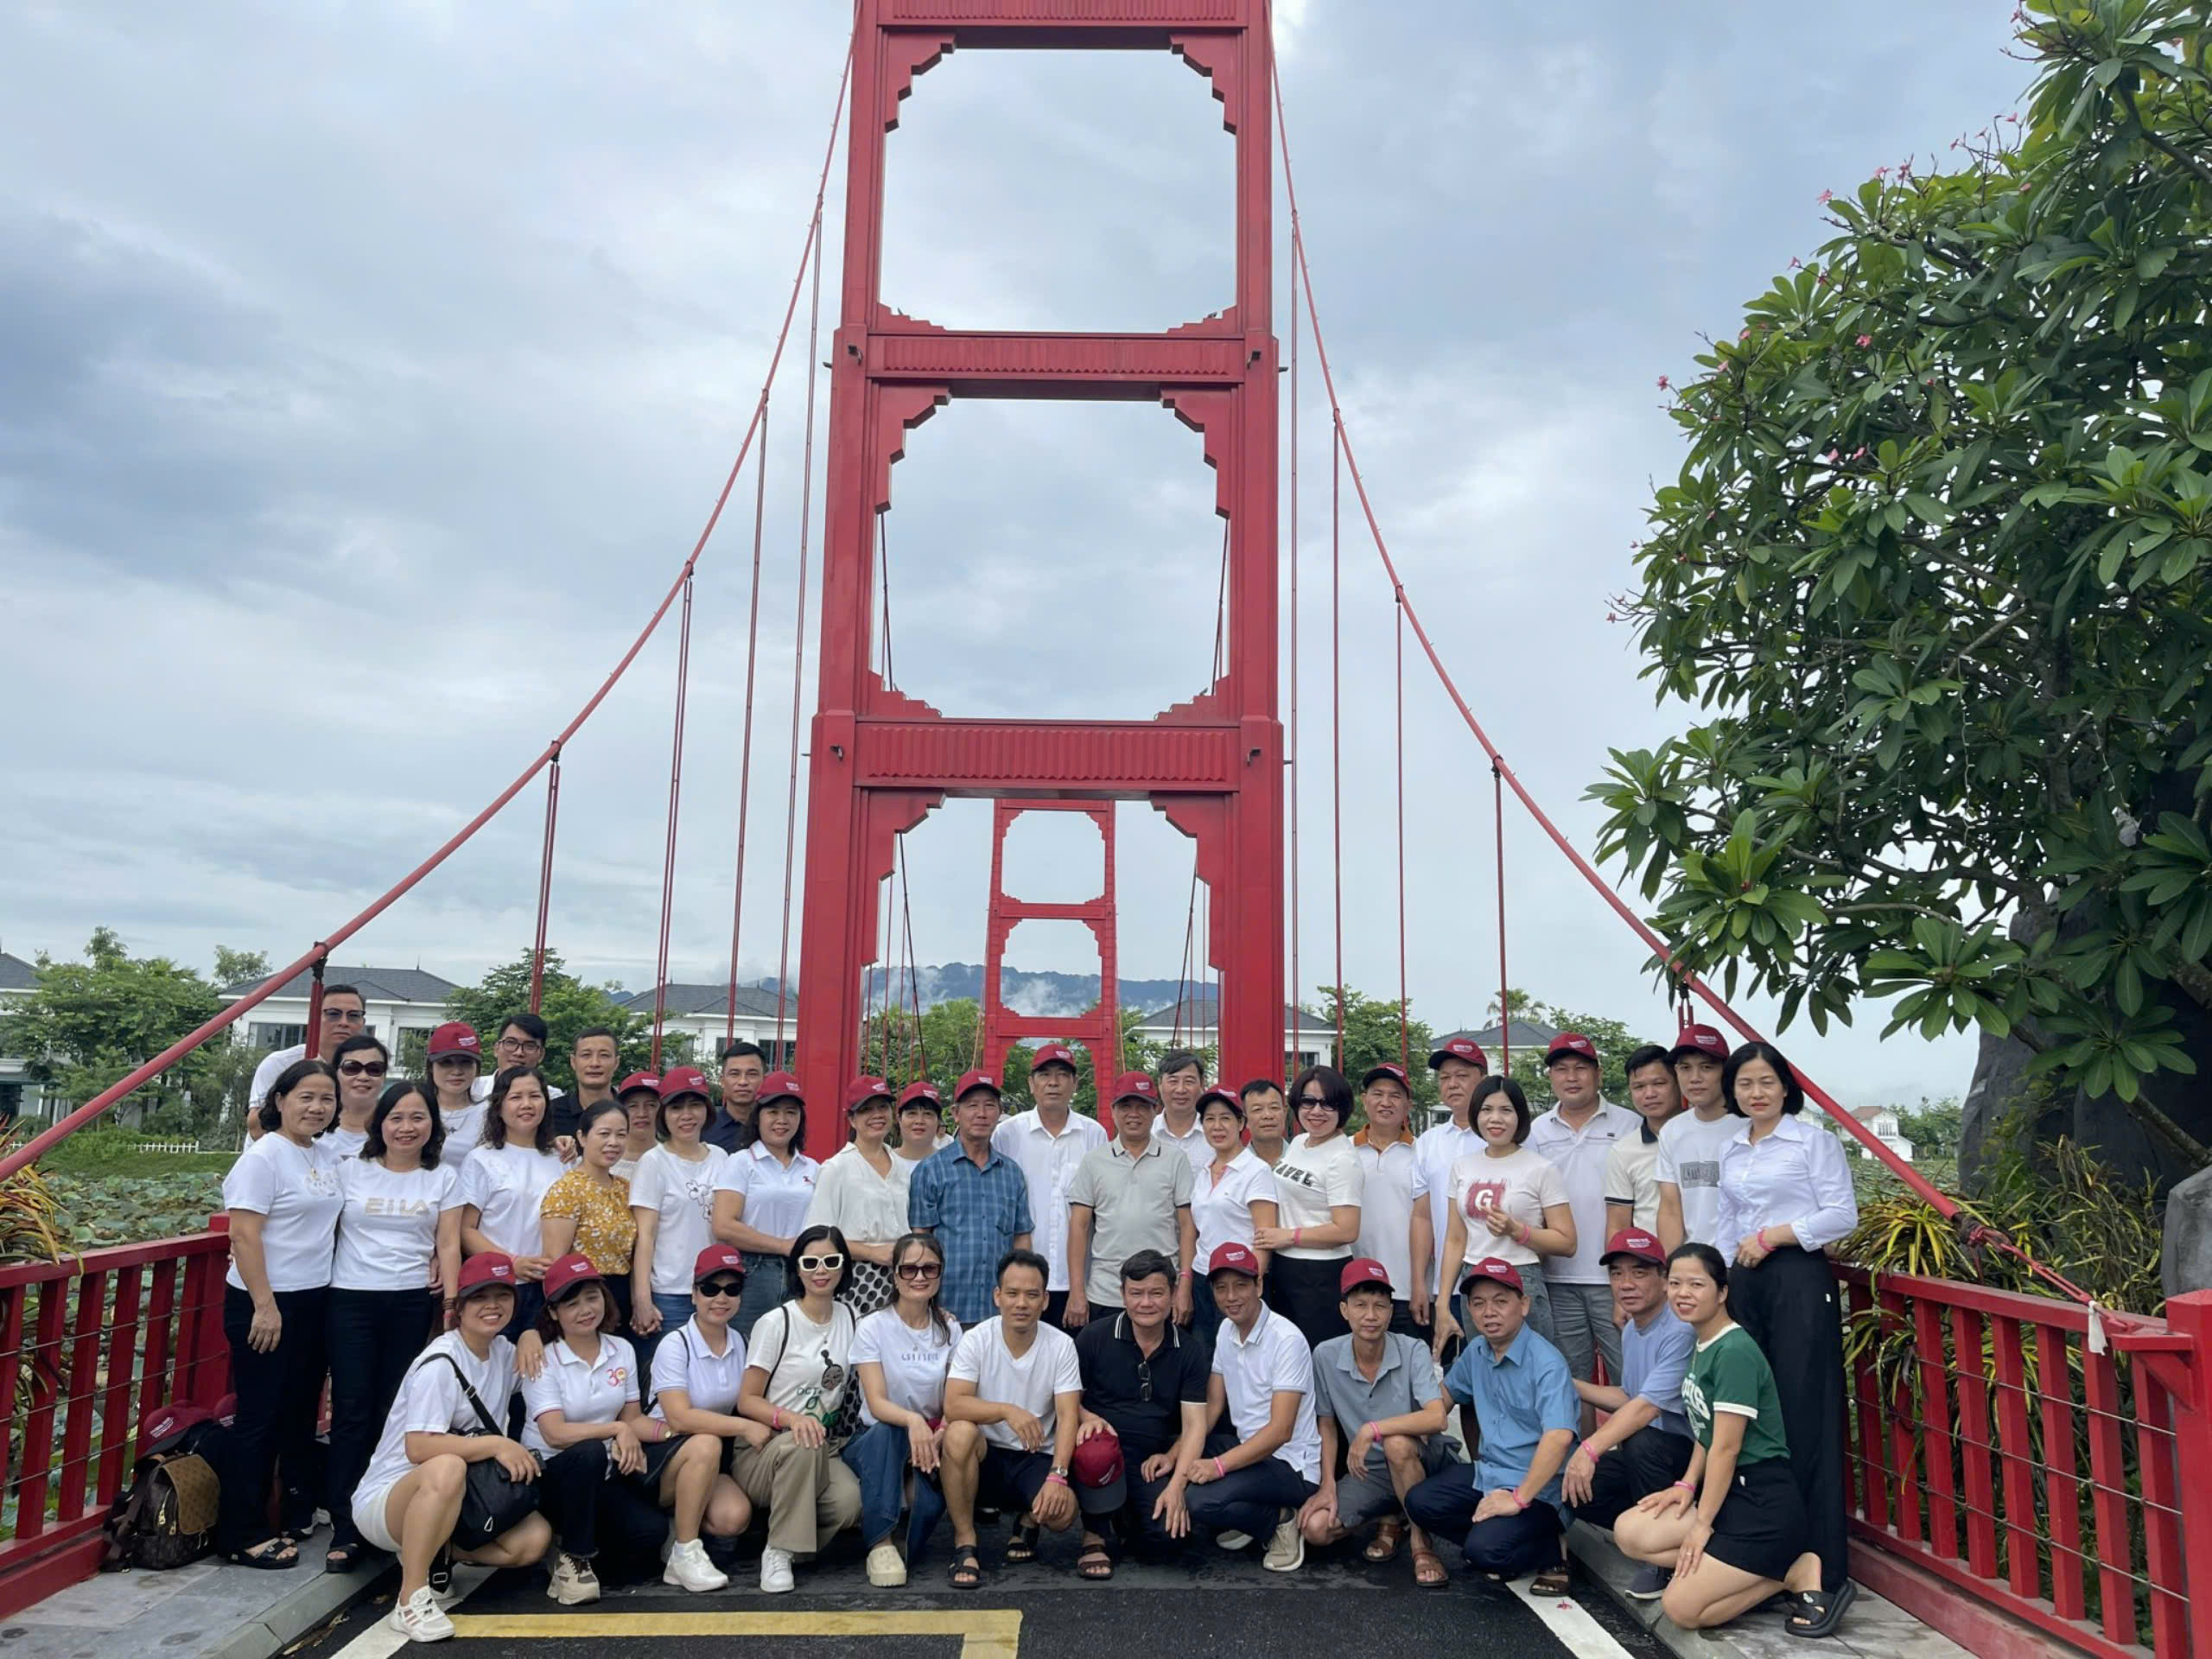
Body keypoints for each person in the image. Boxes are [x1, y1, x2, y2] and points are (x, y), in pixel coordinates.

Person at [1712, 1042, 1859, 1638]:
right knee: (1751, 1419)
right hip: (1746, 1284)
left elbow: (1842, 1214)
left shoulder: (1812, 1142)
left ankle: (1825, 1570)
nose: (1756, 1093)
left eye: (1766, 1081)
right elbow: (1725, 1223)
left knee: (1804, 1418)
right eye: (1745, 1083)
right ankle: (1768, 1557)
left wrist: (1774, 1236)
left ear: (1785, 1087)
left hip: (1797, 1279)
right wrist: (1716, 1284)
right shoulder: (1730, 1147)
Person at [1614, 1244, 1824, 1633]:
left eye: (1697, 1284)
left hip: (1761, 1502)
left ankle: (1792, 1572)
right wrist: (1685, 1485)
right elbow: (1706, 1429)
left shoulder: (1734, 1351)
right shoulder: (1703, 1342)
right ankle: (1732, 1567)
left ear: (1722, 1292)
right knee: (1630, 1533)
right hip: (1727, 1494)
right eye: (1676, 1283)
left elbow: (1726, 1448)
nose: (1683, 1293)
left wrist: (1701, 1524)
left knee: (1681, 1609)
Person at [348, 1254, 552, 1643]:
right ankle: (410, 1598)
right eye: (480, 1297)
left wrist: (531, 1332)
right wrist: (497, 1443)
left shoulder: (503, 1351)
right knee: (447, 1465)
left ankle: (436, 1550)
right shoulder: (441, 1362)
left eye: (502, 1296)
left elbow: (544, 1374)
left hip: (458, 1499)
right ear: (458, 1307)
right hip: (390, 1499)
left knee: (533, 1541)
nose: (492, 1306)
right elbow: (418, 1446)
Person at [523, 1255, 723, 1602]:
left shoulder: (622, 1349)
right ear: (553, 1312)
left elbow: (633, 1419)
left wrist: (674, 1435)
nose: (585, 1310)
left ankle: (567, 1546)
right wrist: (615, 1430)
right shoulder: (542, 1357)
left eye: (592, 1298)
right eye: (572, 1304)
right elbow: (554, 1433)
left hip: (604, 1474)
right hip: (552, 1475)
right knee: (587, 1453)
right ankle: (573, 1559)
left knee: (650, 1533)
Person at [324, 1079, 464, 1571]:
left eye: (418, 1117)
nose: (407, 1128)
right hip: (350, 1300)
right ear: (379, 1124)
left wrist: (451, 1303)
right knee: (351, 1410)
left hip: (410, 1302)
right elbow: (318, 1225)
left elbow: (449, 1243)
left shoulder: (443, 1177)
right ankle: (345, 1523)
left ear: (433, 1125)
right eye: (396, 1118)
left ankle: (391, 1514)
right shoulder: (350, 1170)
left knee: (396, 1412)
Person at [218, 1058, 343, 1567]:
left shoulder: (326, 1154)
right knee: (259, 1416)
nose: (316, 1107)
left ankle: (290, 1512)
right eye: (305, 1097)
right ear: (280, 1101)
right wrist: (265, 1305)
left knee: (298, 1414)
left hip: (314, 1299)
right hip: (265, 1300)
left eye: (326, 1099)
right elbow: (243, 1234)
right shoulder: (263, 1158)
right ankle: (241, 1533)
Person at [1405, 1258, 1576, 1592]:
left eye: (1501, 1301)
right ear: (1469, 1309)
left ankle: (1551, 1550)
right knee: (1420, 1502)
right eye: (1479, 1303)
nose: (1489, 1312)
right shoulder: (1477, 1351)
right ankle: (1502, 1538)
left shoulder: (1547, 1363)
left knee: (1484, 1552)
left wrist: (1519, 1499)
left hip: (1539, 1490)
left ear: (1523, 1305)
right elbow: (1442, 1400)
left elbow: (1558, 1438)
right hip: (1490, 1475)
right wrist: (1387, 1429)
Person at [1298, 1258, 1455, 1586]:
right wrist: (1327, 1484)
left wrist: (1374, 1428)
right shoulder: (1325, 1355)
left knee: (1396, 1445)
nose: (1371, 1315)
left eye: (1380, 1306)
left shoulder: (1412, 1349)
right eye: (1360, 1305)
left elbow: (1437, 1417)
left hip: (1421, 1459)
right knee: (1315, 1529)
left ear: (1390, 1311)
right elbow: (1326, 1424)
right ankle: (1391, 1515)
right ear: (1344, 1310)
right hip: (1370, 1472)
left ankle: (1421, 1542)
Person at [1560, 1230, 1697, 1599]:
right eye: (1617, 1274)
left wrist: (1590, 1449)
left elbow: (1646, 1407)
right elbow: (1628, 1397)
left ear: (1664, 1279)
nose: (1626, 1284)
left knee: (1640, 1439)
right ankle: (1650, 1533)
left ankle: (1661, 1558)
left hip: (1691, 1460)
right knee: (1574, 1491)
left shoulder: (1680, 1330)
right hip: (1653, 1458)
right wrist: (1567, 1382)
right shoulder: (1633, 1329)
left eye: (1639, 1272)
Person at [731, 1224, 865, 1593]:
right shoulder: (776, 1322)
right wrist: (791, 1419)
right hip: (766, 1448)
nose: (821, 1270)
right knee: (802, 1443)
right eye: (810, 1262)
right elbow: (747, 1400)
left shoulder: (851, 1316)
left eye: (830, 1261)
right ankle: (778, 1550)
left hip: (823, 1446)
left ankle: (796, 1540)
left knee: (850, 1503)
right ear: (797, 1269)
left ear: (843, 1266)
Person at [939, 1248, 1083, 1588]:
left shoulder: (1061, 1345)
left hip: (1035, 1455)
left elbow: (1068, 1416)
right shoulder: (976, 1339)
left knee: (1063, 1515)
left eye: (1032, 1295)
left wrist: (1058, 1476)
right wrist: (1007, 1410)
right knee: (958, 1433)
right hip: (986, 1454)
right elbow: (953, 1405)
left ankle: (1029, 1519)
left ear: (1045, 1300)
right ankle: (965, 1541)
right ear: (997, 1296)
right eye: (1013, 1293)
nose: (1021, 1303)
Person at [1069, 1249, 1210, 1578]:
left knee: (1168, 1538)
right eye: (1136, 1293)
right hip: (1099, 1450)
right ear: (1123, 1294)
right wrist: (1088, 1418)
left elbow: (1195, 1426)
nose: (1146, 1303)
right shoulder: (1093, 1338)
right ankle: (1094, 1533)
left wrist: (1176, 1486)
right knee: (1096, 1455)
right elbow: (1065, 1401)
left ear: (1173, 1294)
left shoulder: (1190, 1350)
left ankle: (1124, 1514)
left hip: (1151, 1459)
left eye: (1156, 1293)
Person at [1183, 1242, 1319, 1573]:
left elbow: (1281, 1430)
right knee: (1186, 1456)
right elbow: (1212, 1408)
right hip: (1251, 1451)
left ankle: (1281, 1519)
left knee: (1200, 1501)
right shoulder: (1225, 1330)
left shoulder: (1286, 1339)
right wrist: (1177, 1455)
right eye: (1221, 1288)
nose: (1231, 1296)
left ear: (1259, 1285)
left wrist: (1218, 1467)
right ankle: (1252, 1511)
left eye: (1241, 1285)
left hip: (1291, 1465)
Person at [842, 1231, 962, 1585]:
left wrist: (941, 1430)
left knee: (925, 1505)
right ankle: (879, 1543)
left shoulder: (950, 1328)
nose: (919, 1277)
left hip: (928, 1442)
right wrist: (913, 1422)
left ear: (940, 1274)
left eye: (929, 1268)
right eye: (909, 1269)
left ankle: (908, 1541)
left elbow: (956, 1397)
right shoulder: (872, 1326)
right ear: (895, 1275)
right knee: (885, 1433)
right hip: (878, 1437)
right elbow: (876, 1402)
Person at [1524, 1033, 1641, 1388]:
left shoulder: (1630, 1125)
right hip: (1557, 1280)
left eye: (1581, 1068)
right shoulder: (1535, 1131)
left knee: (1631, 1378)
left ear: (1599, 1074)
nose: (1571, 1077)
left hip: (1615, 1280)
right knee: (1572, 1385)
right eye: (1561, 1069)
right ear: (1551, 1076)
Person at [645, 1243, 765, 1584]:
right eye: (711, 1289)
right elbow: (679, 1417)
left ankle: (680, 1524)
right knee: (707, 1442)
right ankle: (684, 1553)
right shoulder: (675, 1344)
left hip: (707, 1458)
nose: (721, 1298)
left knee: (733, 1517)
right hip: (660, 1457)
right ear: (694, 1294)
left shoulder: (742, 1342)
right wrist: (743, 1426)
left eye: (732, 1289)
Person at [1435, 1077, 1574, 1352]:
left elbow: (1567, 1242)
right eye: (1487, 1110)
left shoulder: (1541, 1169)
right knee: (1483, 1369)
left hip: (1522, 1279)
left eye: (1506, 1110)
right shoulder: (1462, 1167)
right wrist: (1442, 1301)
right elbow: (1455, 1239)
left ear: (1519, 1116)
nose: (1495, 1119)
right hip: (1474, 1279)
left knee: (1530, 1368)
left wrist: (1517, 1231)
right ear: (1476, 1115)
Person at [1065, 1072, 1196, 1329]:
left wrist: (1184, 1286)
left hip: (1161, 1294)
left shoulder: (1175, 1159)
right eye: (1125, 1106)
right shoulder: (1094, 1161)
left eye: (1142, 1106)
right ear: (1113, 1111)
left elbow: (1188, 1226)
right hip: (1105, 1291)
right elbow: (1079, 1227)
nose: (1134, 1114)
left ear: (1155, 1110)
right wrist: (1077, 1291)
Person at [990, 1044, 1105, 1330]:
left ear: (1075, 1083)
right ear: (1031, 1084)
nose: (1053, 1082)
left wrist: (1080, 1289)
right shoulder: (1007, 1134)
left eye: (1062, 1075)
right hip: (1021, 1281)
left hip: (1077, 1282)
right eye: (1044, 1075)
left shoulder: (1094, 1135)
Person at [907, 1071, 1034, 1327]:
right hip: (946, 1308)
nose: (982, 1113)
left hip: (999, 1312)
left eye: (990, 1106)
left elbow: (1021, 1238)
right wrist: (928, 1302)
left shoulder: (1012, 1174)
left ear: (999, 1113)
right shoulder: (931, 1170)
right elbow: (920, 1242)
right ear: (956, 1113)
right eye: (972, 1105)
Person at [628, 1066, 731, 1374]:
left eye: (695, 1105)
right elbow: (645, 1236)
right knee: (667, 1382)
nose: (686, 1115)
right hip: (670, 1293)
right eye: (676, 1108)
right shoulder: (654, 1162)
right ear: (664, 1114)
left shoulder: (722, 1158)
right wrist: (642, 1299)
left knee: (710, 1377)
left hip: (716, 1291)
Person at [1255, 1065, 1363, 1351]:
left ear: (1342, 1108)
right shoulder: (1300, 1142)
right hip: (1285, 1268)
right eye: (1308, 1101)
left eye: (1327, 1103)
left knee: (1314, 1356)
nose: (1316, 1111)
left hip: (1319, 1275)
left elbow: (1347, 1229)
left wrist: (1289, 1236)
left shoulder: (1343, 1159)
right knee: (1284, 1355)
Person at [712, 1072, 822, 1340]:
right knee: (752, 1349)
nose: (782, 1120)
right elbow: (723, 1226)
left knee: (797, 1349)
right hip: (754, 1272)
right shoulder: (741, 1162)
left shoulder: (813, 1168)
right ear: (758, 1116)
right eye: (773, 1112)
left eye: (790, 1112)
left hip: (801, 1272)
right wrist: (782, 1245)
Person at [458, 1066, 564, 1341]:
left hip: (551, 1289)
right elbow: (466, 1230)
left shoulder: (562, 1158)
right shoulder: (481, 1159)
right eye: (516, 1097)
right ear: (499, 1106)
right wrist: (512, 1263)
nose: (527, 1104)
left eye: (535, 1096)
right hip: (499, 1286)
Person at [808, 1077, 914, 1315]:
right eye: (866, 1110)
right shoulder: (836, 1168)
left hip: (902, 1276)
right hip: (855, 1277)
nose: (877, 1115)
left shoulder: (901, 1167)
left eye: (883, 1107)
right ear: (851, 1119)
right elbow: (818, 1237)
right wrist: (872, 1252)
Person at [1408, 1037, 1485, 1348]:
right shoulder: (1428, 1142)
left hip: (1500, 1282)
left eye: (1462, 1076)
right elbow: (1422, 1217)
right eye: (1445, 1078)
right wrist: (1419, 1283)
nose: (1452, 1084)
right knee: (1455, 1370)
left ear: (1483, 1078)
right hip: (1448, 1287)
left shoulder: (1510, 1136)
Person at [540, 1098, 639, 1332]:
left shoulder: (625, 1188)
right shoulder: (567, 1189)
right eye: (604, 1134)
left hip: (623, 1295)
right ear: (582, 1137)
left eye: (621, 1135)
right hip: (583, 1298)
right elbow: (555, 1261)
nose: (613, 1142)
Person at [1189, 1086, 1277, 1344]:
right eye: (1210, 1119)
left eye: (1225, 1118)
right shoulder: (1204, 1171)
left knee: (1240, 1354)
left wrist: (1250, 1287)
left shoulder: (1256, 1171)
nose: (1217, 1127)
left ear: (1241, 1123)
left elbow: (1264, 1237)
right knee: (1205, 1355)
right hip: (1203, 1278)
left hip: (1238, 1282)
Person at [1351, 1064, 1421, 1337]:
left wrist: (1420, 1287)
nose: (1385, 1102)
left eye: (1395, 1095)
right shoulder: (1344, 1151)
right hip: (1355, 1287)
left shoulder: (1423, 1153)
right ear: (1364, 1100)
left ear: (1408, 1105)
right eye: (1377, 1094)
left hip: (1408, 1289)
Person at [1656, 1024, 1736, 1251]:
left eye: (1706, 1067)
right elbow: (1671, 1209)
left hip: (1747, 1259)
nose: (1695, 1078)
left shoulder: (1750, 1125)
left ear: (1726, 1071)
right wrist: (1671, 1264)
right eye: (1685, 1068)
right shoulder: (1672, 1131)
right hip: (1696, 1262)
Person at [248, 984, 366, 1113]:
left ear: (363, 1023)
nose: (344, 1023)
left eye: (354, 1015)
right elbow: (254, 1123)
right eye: (333, 1014)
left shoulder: (371, 1069)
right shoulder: (280, 1063)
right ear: (314, 1018)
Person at [1606, 1045, 1685, 1236]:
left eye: (1659, 1083)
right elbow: (1618, 1226)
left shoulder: (1707, 1136)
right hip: (1651, 1253)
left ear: (1679, 1082)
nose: (1649, 1094)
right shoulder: (1623, 1151)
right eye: (1639, 1087)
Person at [425, 1023, 489, 1162]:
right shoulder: (415, 1110)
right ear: (430, 1066)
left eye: (465, 1062)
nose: (457, 1071)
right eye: (446, 1062)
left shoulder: (491, 1114)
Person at [324, 1033, 391, 1158]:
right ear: (335, 1073)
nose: (363, 1077)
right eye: (352, 1068)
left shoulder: (396, 1128)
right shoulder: (316, 1122)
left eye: (374, 1069)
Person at [1154, 1049, 1211, 1176]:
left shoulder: (1215, 1134)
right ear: (1160, 1084)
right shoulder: (1148, 1132)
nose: (1181, 1089)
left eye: (1189, 1081)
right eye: (1173, 1081)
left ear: (1202, 1084)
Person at [560, 1027, 622, 1141]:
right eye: (586, 1055)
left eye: (604, 1055)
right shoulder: (550, 1114)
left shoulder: (631, 1113)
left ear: (616, 1062)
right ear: (573, 1062)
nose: (594, 1063)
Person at [707, 1040, 766, 1153]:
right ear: (722, 1081)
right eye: (734, 1074)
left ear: (764, 1079)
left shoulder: (776, 1130)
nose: (743, 1082)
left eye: (752, 1074)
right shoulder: (703, 1130)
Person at [610, 1072, 660, 1183]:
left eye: (651, 1105)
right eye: (633, 1106)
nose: (642, 1114)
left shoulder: (674, 1161)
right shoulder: (603, 1162)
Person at [894, 1080, 951, 1167]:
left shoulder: (950, 1165)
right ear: (899, 1119)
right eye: (912, 1113)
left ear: (939, 1121)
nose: (919, 1121)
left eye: (928, 1114)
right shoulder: (884, 1162)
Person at [1242, 1078, 1289, 1168]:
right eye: (1257, 1109)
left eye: (1274, 1107)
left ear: (1284, 1113)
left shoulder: (1301, 1158)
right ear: (1245, 1120)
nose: (1268, 1115)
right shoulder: (1236, 1166)